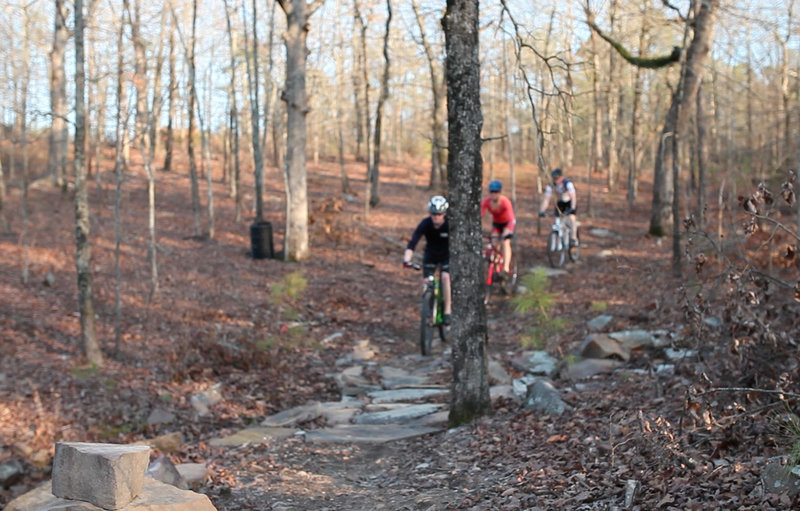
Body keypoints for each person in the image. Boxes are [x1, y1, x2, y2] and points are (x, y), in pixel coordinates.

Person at [403, 195, 451, 325]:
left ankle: (447, 310)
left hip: (447, 255)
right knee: (427, 281)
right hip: (430, 255)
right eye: (434, 214)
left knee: (446, 277)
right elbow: (413, 242)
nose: (436, 217)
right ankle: (429, 306)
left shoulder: (450, 225)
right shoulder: (426, 223)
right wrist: (407, 259)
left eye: (439, 214)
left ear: (444, 214)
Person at [480, 180, 516, 275]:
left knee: (505, 242)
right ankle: (495, 266)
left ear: (500, 192)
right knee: (494, 243)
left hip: (507, 223)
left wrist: (508, 233)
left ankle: (506, 267)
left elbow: (511, 218)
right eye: (492, 192)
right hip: (496, 223)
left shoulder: (505, 202)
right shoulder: (487, 202)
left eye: (496, 192)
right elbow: (480, 215)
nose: (494, 194)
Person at [539, 168, 578, 245]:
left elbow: (573, 196)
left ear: (561, 177)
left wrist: (572, 208)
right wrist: (541, 210)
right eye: (554, 178)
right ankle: (559, 240)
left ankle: (573, 238)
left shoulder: (567, 183)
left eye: (556, 178)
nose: (555, 180)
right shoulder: (551, 185)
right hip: (560, 203)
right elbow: (546, 200)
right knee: (557, 221)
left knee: (571, 218)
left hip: (569, 202)